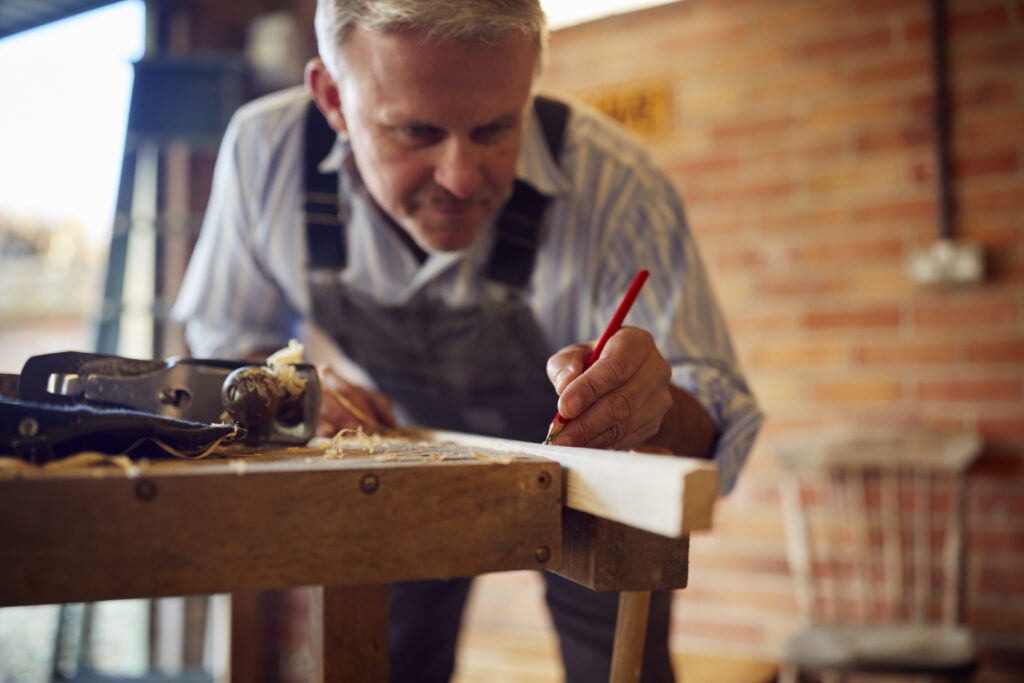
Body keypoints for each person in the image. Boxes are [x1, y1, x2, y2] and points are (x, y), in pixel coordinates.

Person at [172, 1, 763, 680]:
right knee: (385, 659)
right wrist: (293, 391)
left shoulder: (617, 184)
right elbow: (225, 345)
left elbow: (715, 415)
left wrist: (657, 407)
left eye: (495, 128)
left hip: (590, 477)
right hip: (397, 465)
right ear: (333, 99)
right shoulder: (264, 155)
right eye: (415, 132)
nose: (459, 176)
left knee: (620, 664)